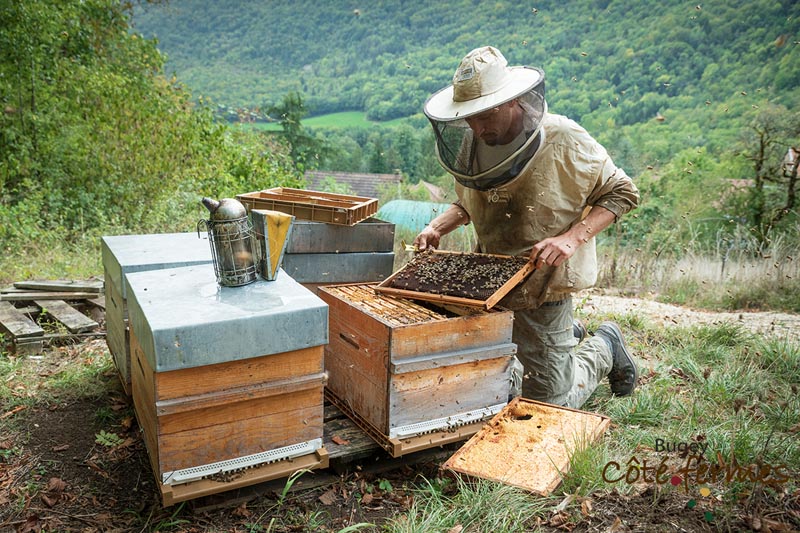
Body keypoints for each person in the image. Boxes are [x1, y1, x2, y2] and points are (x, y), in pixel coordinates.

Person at [413, 46, 640, 409]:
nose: (476, 126)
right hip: (490, 280)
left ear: (512, 101)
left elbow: (623, 192)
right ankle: (566, 341)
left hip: (544, 282)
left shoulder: (564, 138)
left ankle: (604, 348)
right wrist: (437, 226)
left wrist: (571, 238)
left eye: (485, 115)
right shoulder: (473, 144)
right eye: (469, 117)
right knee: (498, 383)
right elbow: (471, 200)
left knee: (549, 404)